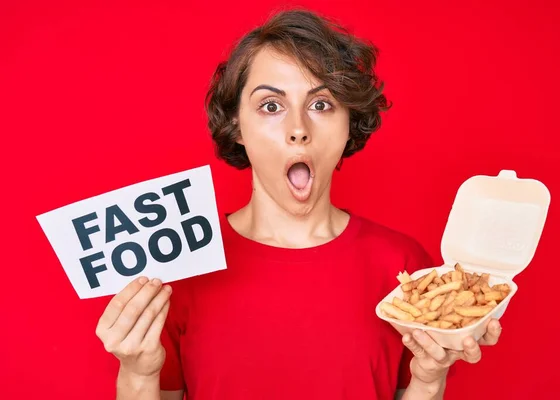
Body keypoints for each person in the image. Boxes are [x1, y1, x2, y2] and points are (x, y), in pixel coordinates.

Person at [95, 9, 502, 400]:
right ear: (238, 126)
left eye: (321, 104)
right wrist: (136, 373)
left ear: (348, 124)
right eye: (271, 106)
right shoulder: (184, 269)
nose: (297, 130)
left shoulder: (404, 270)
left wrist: (429, 381)